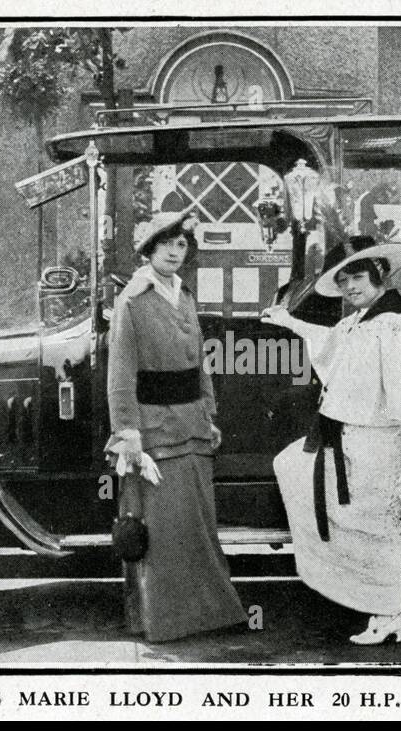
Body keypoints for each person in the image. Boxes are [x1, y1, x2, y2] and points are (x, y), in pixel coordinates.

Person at [262, 236, 401, 645]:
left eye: (358, 278)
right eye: (344, 280)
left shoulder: (390, 322)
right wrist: (289, 321)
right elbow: (330, 342)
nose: (351, 287)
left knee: (376, 525)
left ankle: (387, 612)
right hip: (348, 434)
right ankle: (352, 593)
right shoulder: (361, 320)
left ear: (379, 275)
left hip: (380, 438)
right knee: (300, 473)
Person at [106, 210, 248, 643]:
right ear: (148, 251)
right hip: (153, 433)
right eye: (165, 243)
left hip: (192, 426)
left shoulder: (184, 295)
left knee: (199, 526)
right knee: (163, 532)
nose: (174, 250)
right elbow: (120, 377)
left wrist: (209, 412)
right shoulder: (131, 301)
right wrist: (129, 435)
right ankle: (167, 623)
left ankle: (210, 614)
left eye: (181, 244)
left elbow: (199, 365)